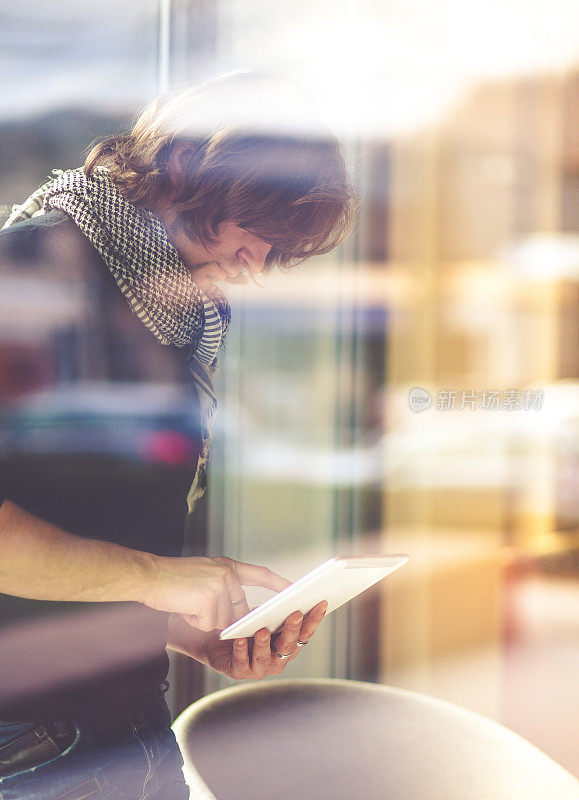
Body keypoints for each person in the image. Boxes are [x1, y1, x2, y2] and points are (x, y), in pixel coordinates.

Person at [0, 71, 354, 798]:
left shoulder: (177, 317)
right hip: (28, 748)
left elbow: (87, 539)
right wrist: (164, 581)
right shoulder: (25, 273)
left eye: (282, 250)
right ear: (189, 166)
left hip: (132, 734)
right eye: (261, 226)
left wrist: (193, 626)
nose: (259, 264)